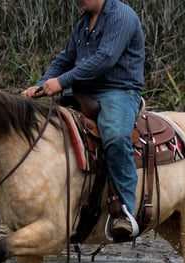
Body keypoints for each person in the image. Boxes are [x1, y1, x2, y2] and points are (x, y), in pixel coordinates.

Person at [21, 0, 145, 240]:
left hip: (118, 90)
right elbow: (65, 58)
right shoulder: (84, 22)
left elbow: (105, 58)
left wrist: (62, 81)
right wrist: (40, 84)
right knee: (48, 130)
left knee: (115, 137)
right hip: (84, 92)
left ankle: (125, 211)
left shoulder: (122, 16)